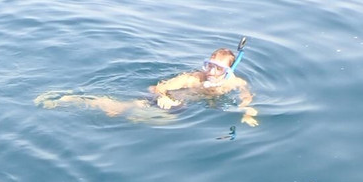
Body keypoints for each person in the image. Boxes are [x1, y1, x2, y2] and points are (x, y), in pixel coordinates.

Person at [36, 46, 258, 127]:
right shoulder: (192, 78)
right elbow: (159, 87)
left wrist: (248, 112)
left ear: (229, 71)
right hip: (168, 100)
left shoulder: (235, 83)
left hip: (182, 107)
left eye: (218, 68)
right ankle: (68, 99)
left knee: (150, 117)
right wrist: (164, 96)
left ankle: (122, 112)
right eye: (209, 65)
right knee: (118, 109)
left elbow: (247, 96)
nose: (211, 72)